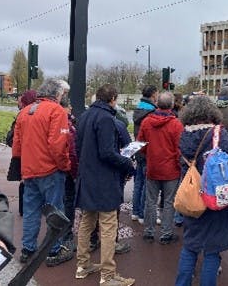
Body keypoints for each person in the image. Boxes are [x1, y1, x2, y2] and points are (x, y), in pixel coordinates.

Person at [175, 96, 228, 286]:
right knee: (212, 250)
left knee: (190, 245)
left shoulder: (184, 135)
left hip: (192, 195)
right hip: (214, 197)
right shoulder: (218, 134)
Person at [75, 84, 135, 286]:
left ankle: (82, 266)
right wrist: (127, 164)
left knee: (86, 222)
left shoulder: (84, 116)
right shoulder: (107, 119)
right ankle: (108, 275)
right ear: (113, 99)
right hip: (104, 180)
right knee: (108, 226)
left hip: (87, 178)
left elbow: (78, 147)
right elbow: (107, 153)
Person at [12, 79, 73, 266]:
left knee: (31, 211)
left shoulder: (24, 112)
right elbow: (57, 145)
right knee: (55, 211)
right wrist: (65, 165)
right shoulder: (56, 111)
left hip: (30, 170)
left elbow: (17, 146)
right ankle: (53, 250)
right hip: (50, 170)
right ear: (57, 94)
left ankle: (28, 248)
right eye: (62, 93)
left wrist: (22, 167)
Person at [137, 92, 183, 244]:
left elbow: (140, 144)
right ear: (171, 106)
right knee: (169, 202)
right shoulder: (176, 124)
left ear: (157, 104)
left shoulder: (147, 122)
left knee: (150, 201)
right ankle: (166, 232)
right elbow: (179, 148)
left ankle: (149, 231)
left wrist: (148, 155)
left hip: (153, 166)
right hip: (170, 169)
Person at [6, 89, 37, 217]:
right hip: (28, 153)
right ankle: (25, 208)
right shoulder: (27, 114)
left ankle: (23, 209)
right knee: (27, 183)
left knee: (25, 182)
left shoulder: (21, 114)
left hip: (22, 153)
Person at [131, 85, 159, 224]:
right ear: (153, 95)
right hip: (148, 150)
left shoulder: (138, 110)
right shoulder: (152, 112)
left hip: (138, 149)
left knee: (138, 182)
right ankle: (143, 213)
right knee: (147, 185)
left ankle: (135, 211)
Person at [60, 96, 79, 253]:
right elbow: (71, 151)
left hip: (54, 168)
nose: (71, 108)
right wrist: (73, 172)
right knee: (68, 201)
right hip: (66, 169)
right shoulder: (67, 125)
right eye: (69, 106)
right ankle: (65, 235)